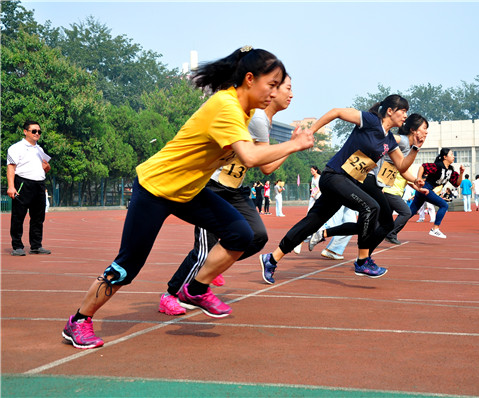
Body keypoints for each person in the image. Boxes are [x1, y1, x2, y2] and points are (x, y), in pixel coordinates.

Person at [61, 47, 314, 349]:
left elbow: (259, 158)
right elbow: (248, 156)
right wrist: (294, 145)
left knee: (241, 234)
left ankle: (194, 288)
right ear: (249, 79)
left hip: (189, 191)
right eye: (271, 85)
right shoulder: (227, 107)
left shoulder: (245, 111)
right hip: (156, 188)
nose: (274, 93)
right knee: (128, 265)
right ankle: (78, 321)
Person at [158, 74, 298, 316]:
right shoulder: (256, 119)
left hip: (234, 187)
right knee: (204, 250)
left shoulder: (263, 121)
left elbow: (264, 164)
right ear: (271, 90)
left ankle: (213, 266)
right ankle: (170, 295)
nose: (291, 94)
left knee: (256, 236)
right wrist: (293, 145)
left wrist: (291, 146)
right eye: (287, 88)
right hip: (212, 186)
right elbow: (264, 166)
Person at [260, 94, 426, 285]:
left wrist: (415, 148)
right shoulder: (370, 121)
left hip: (347, 183)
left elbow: (402, 166)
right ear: (390, 111)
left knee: (312, 223)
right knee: (371, 207)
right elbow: (336, 112)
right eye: (403, 111)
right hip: (334, 176)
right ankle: (362, 262)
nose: (405, 116)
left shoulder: (389, 139)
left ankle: (271, 259)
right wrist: (311, 131)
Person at [6, 120, 52, 256]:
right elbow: (11, 168)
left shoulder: (40, 149)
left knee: (38, 217)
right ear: (25, 132)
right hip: (23, 184)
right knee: (18, 216)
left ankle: (36, 245)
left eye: (39, 131)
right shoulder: (16, 148)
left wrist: (47, 168)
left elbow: (45, 169)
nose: (37, 134)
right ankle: (17, 246)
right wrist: (11, 186)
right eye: (34, 131)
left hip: (39, 185)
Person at [383, 113, 429, 245]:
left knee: (380, 221)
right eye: (424, 128)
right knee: (405, 212)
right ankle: (390, 234)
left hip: (388, 187)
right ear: (413, 130)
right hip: (385, 188)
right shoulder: (402, 140)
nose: (426, 132)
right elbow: (390, 137)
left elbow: (402, 170)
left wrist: (416, 183)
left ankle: (367, 250)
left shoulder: (410, 147)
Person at [409, 148, 465, 239]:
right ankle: (435, 229)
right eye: (451, 154)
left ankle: (391, 229)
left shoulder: (450, 170)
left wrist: (462, 173)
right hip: (425, 189)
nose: (453, 156)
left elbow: (457, 183)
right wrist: (418, 179)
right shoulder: (437, 166)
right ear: (445, 157)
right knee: (444, 205)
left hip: (425, 191)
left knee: (409, 213)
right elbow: (423, 166)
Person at [293, 165, 322, 254]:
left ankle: (311, 240)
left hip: (319, 198)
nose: (311, 172)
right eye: (311, 170)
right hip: (313, 198)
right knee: (310, 218)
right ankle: (301, 241)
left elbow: (320, 187)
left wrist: (316, 193)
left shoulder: (320, 178)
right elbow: (314, 187)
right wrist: (312, 191)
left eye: (312, 170)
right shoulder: (313, 178)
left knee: (319, 224)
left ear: (316, 170)